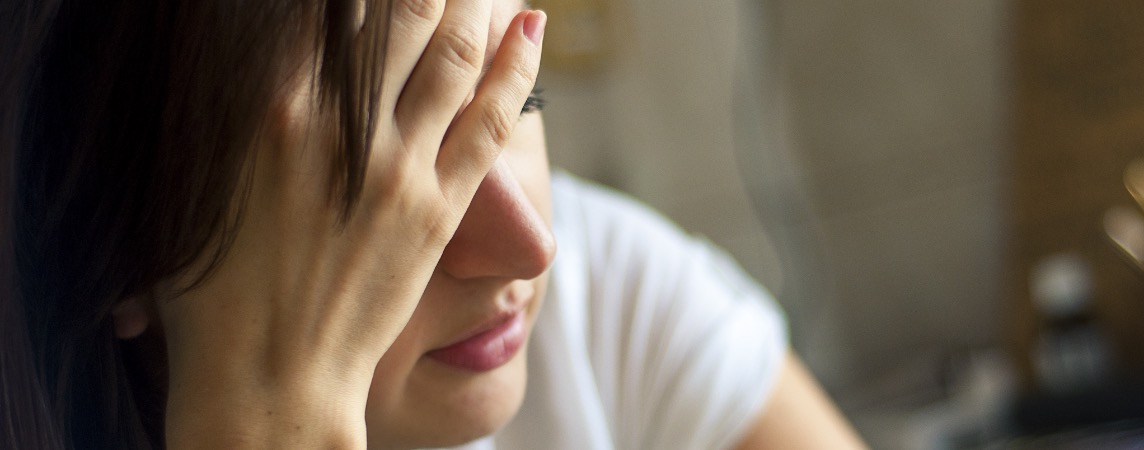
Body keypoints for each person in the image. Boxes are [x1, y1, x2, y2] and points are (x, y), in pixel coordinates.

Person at [0, 0, 865, 448]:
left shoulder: (606, 304)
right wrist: (267, 422)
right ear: (124, 258)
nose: (530, 246)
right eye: (368, 182)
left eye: (514, 102)